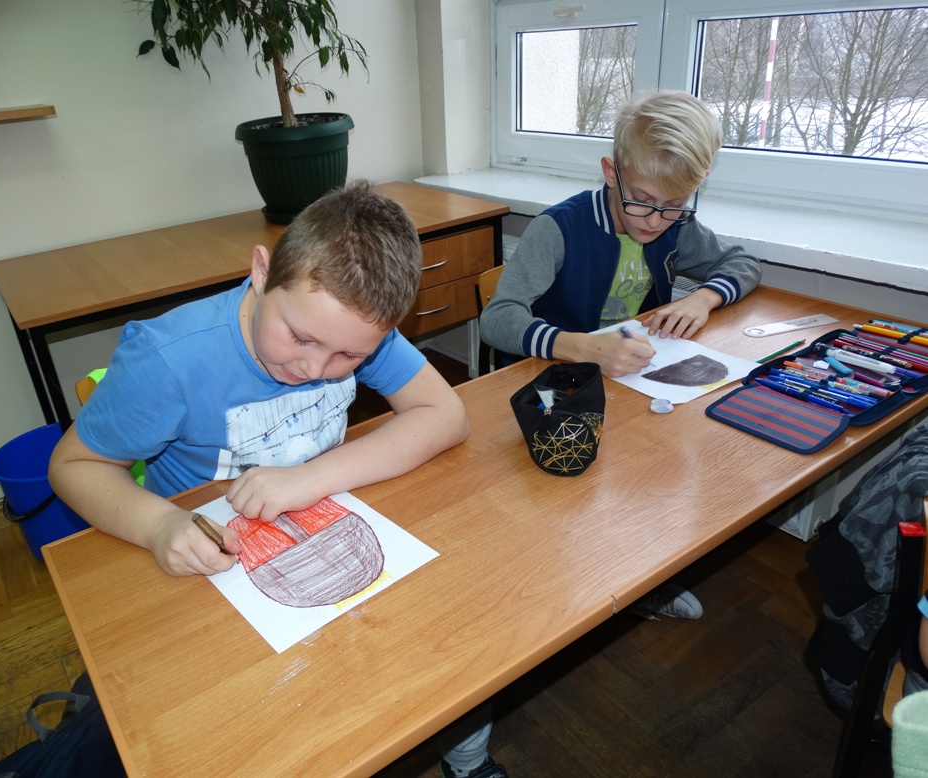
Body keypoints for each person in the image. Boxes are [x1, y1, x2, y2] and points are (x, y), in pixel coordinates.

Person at [48, 179, 469, 577]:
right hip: (204, 557)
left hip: (312, 529)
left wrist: (314, 477)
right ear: (262, 272)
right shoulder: (168, 361)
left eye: (349, 356)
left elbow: (446, 414)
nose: (314, 369)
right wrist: (158, 525)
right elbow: (73, 466)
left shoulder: (353, 328)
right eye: (300, 338)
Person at [480, 89, 763, 623]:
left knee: (649, 483)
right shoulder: (559, 229)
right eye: (643, 200)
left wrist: (703, 298)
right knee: (570, 502)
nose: (655, 221)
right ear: (611, 173)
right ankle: (558, 591)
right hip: (557, 392)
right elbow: (499, 319)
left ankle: (641, 577)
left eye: (674, 206)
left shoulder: (675, 223)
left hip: (631, 385)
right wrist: (583, 345)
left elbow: (742, 262)